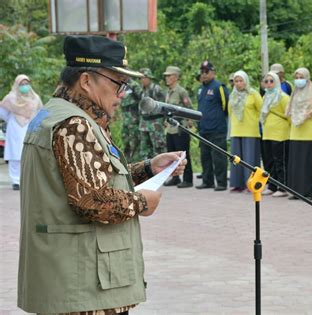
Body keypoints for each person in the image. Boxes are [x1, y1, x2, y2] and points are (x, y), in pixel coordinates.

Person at [17, 35, 187, 314]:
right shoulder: (74, 124)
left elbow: (84, 177)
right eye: (117, 83)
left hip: (68, 278)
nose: (122, 93)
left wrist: (148, 168)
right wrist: (143, 202)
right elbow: (91, 200)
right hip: (81, 283)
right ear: (86, 80)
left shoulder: (53, 115)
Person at [286, 67, 312, 200]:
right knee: (296, 164)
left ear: (307, 78)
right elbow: (289, 112)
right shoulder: (294, 93)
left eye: (301, 77)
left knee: (307, 165)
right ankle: (296, 192)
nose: (298, 80)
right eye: (296, 77)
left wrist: (308, 122)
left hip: (309, 134)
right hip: (295, 133)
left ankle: (308, 193)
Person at [0, 74, 42, 190]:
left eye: (26, 84)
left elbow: (40, 114)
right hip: (14, 127)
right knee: (15, 155)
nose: (25, 86)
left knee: (28, 153)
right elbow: (3, 113)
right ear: (17, 85)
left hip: (30, 127)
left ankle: (26, 180)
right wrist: (12, 119)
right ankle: (15, 181)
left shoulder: (35, 98)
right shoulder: (10, 98)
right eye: (22, 84)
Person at [196, 60, 229, 191]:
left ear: (213, 73)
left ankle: (221, 183)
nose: (203, 74)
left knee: (219, 157)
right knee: (205, 157)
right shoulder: (200, 89)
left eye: (206, 72)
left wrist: (218, 120)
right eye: (202, 72)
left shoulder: (218, 87)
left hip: (217, 129)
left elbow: (226, 106)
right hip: (204, 129)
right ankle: (207, 181)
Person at [228, 70, 263, 192]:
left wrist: (256, 123)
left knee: (249, 159)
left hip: (251, 131)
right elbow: (230, 113)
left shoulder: (253, 94)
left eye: (240, 80)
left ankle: (251, 184)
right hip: (236, 131)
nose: (238, 83)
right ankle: (238, 184)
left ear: (246, 81)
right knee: (236, 159)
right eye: (236, 81)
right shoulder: (232, 95)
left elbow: (261, 110)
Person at [162, 66, 194, 188]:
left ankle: (188, 179)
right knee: (172, 154)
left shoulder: (181, 91)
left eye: (169, 76)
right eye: (166, 76)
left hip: (181, 128)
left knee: (184, 154)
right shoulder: (169, 91)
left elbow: (189, 108)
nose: (167, 78)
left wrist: (189, 122)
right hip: (170, 128)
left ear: (175, 77)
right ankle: (175, 177)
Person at [260, 71, 291, 197]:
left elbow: (289, 116)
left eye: (271, 81)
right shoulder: (265, 97)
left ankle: (282, 187)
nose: (268, 84)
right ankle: (272, 185)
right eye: (266, 81)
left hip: (280, 134)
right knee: (269, 161)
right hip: (267, 133)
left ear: (277, 82)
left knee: (280, 161)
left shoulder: (283, 97)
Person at [138, 67, 166, 160]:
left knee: (158, 148)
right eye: (140, 78)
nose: (142, 80)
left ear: (149, 78)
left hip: (155, 122)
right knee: (145, 149)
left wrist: (164, 120)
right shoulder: (141, 90)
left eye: (144, 77)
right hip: (144, 122)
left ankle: (163, 171)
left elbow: (164, 105)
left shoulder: (156, 89)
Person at [121, 78, 142, 162]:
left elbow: (142, 97)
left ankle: (135, 163)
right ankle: (126, 162)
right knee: (125, 141)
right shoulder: (122, 84)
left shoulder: (134, 85)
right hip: (125, 118)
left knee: (134, 142)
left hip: (134, 118)